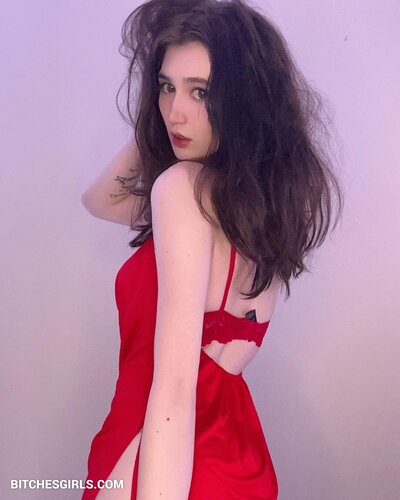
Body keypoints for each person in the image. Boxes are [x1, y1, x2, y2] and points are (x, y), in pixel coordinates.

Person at [81, 0, 344, 498]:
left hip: (159, 455)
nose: (174, 111)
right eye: (166, 87)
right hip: (238, 458)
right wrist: (161, 123)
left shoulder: (183, 190)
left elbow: (176, 389)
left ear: (243, 101)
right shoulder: (264, 210)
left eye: (200, 91)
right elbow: (100, 202)